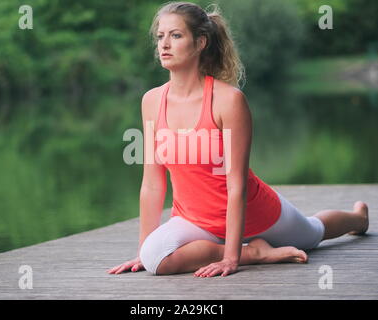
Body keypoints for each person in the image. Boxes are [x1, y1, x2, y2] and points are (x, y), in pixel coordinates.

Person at [107, 2, 369, 277]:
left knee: (313, 232)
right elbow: (152, 184)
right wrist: (141, 251)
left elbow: (236, 185)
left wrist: (231, 258)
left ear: (200, 42)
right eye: (160, 36)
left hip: (256, 215)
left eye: (176, 35)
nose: (164, 44)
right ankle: (254, 252)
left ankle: (358, 218)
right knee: (153, 258)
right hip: (194, 220)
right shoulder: (151, 101)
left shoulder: (228, 101)